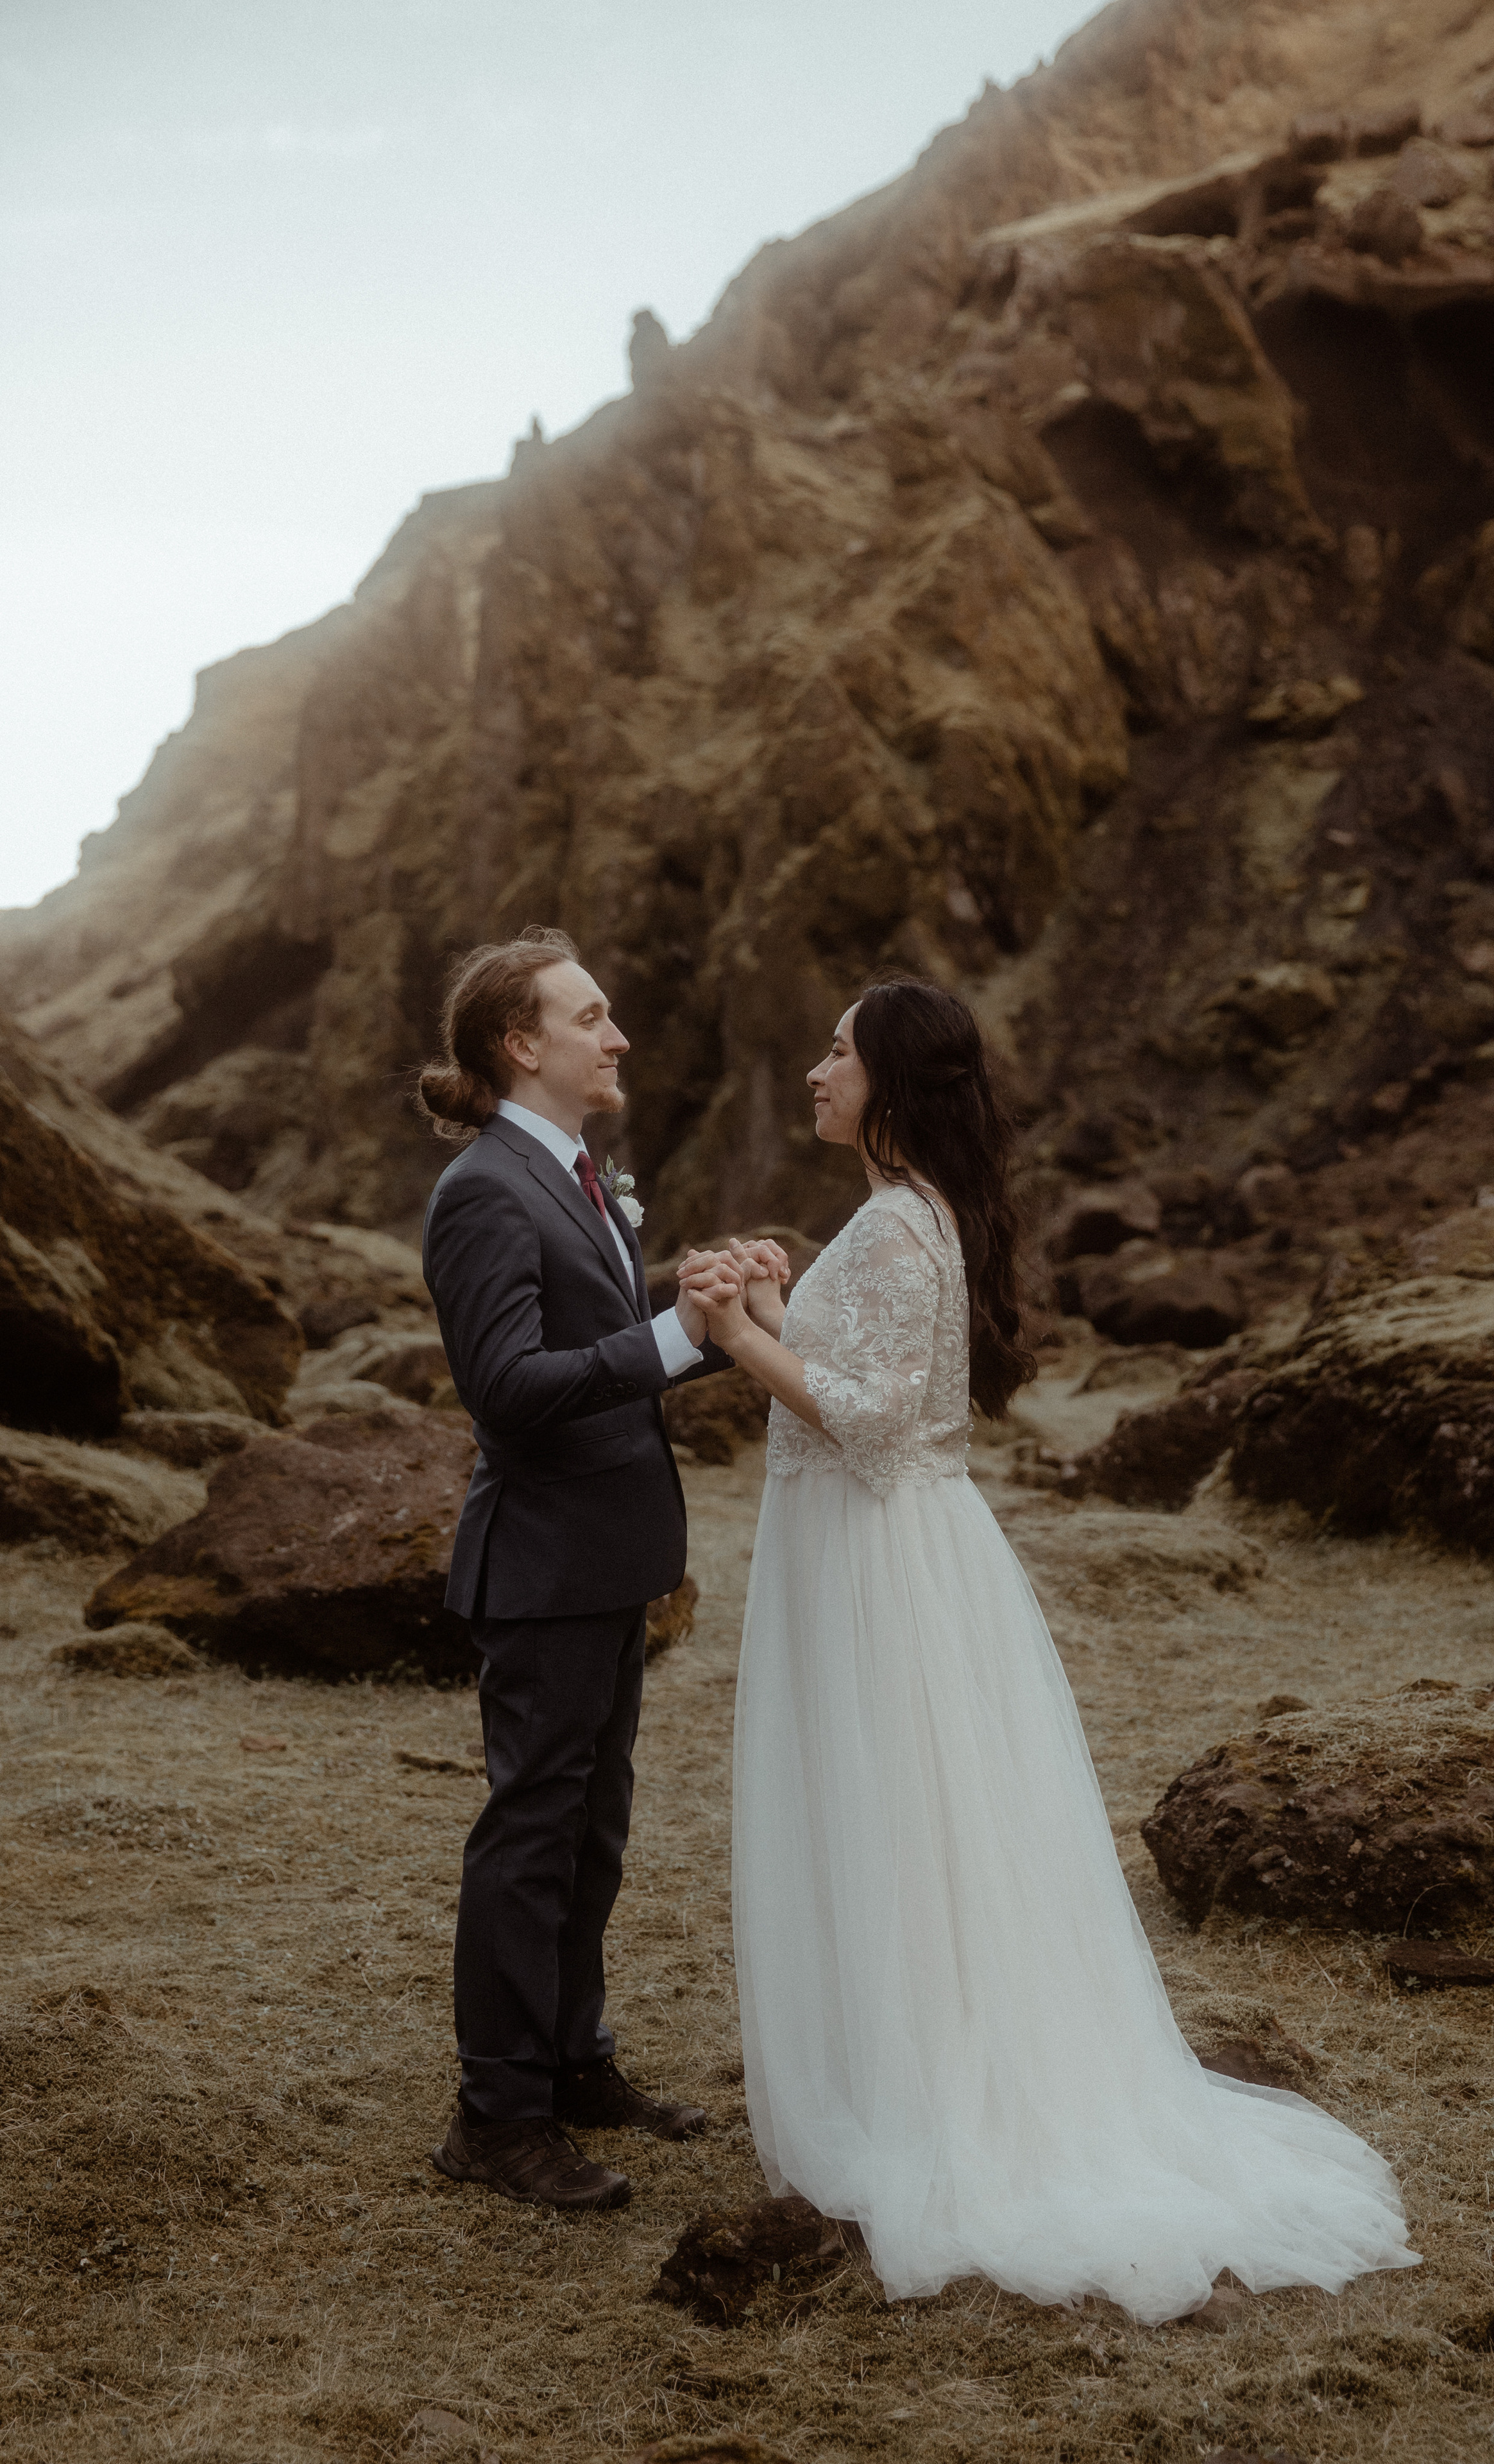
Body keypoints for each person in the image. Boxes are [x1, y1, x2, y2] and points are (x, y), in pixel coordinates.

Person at [679, 979, 1419, 2320]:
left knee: (904, 1813)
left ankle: (936, 2097)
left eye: (835, 1051)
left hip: (876, 1551)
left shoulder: (903, 1227)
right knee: (905, 1814)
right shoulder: (902, 1216)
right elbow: (865, 1380)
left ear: (890, 1083)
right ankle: (914, 2060)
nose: (810, 1069)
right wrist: (781, 1305)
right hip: (874, 1541)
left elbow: (873, 1423)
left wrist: (734, 1339)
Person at [415, 925, 787, 2213]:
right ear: (522, 1046)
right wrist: (668, 1336)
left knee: (591, 1833)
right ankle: (497, 2116)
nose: (615, 1036)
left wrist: (698, 1319)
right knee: (530, 1840)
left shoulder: (573, 1174)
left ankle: (575, 2063)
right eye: (590, 1018)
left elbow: (599, 1351)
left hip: (607, 1557)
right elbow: (508, 1397)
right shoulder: (482, 1191)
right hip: (541, 1564)